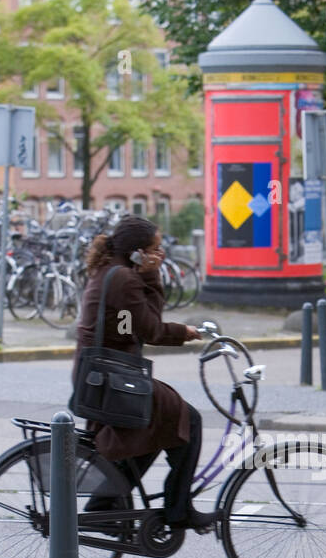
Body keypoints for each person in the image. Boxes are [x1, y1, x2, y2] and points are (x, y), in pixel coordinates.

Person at [73, 214, 218, 530]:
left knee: (156, 428)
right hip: (113, 379)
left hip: (102, 376)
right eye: (155, 248)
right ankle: (179, 511)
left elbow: (128, 327)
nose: (161, 253)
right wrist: (184, 330)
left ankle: (103, 505)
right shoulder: (123, 279)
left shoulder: (112, 271)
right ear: (137, 251)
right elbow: (149, 328)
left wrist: (144, 281)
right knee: (187, 420)